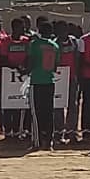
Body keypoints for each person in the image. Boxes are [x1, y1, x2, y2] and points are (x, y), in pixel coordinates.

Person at [26, 22, 60, 151]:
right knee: (48, 112)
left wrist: (24, 70)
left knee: (36, 113)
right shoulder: (55, 46)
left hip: (37, 81)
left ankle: (37, 142)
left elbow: (30, 63)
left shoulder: (34, 44)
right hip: (49, 81)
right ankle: (49, 142)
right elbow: (55, 66)